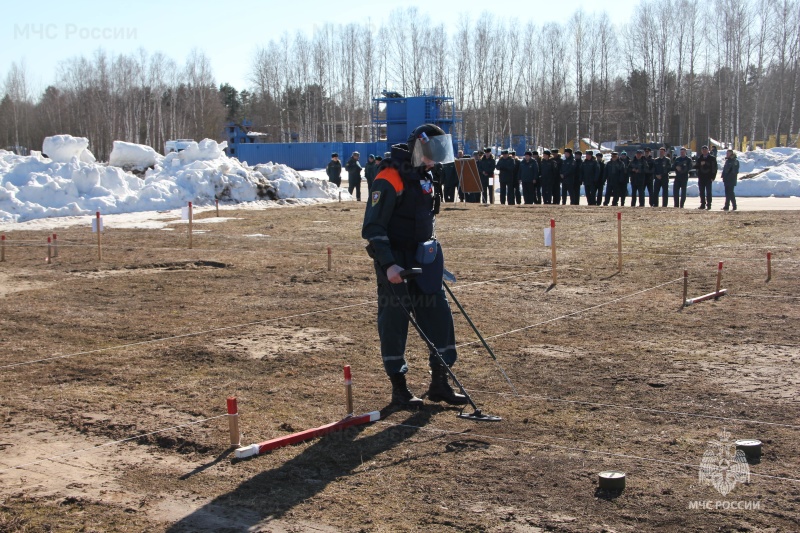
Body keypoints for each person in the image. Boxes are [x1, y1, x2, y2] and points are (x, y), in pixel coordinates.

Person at [361, 123, 466, 408]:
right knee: (394, 324)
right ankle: (399, 389)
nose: (435, 159)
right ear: (418, 149)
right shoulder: (390, 175)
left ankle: (440, 383)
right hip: (396, 263)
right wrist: (389, 265)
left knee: (440, 318)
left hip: (425, 260)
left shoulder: (427, 174)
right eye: (431, 153)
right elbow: (373, 228)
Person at [694, 145, 718, 210]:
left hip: (708, 177)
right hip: (701, 177)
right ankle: (702, 204)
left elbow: (714, 168)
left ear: (708, 150)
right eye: (703, 150)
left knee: (708, 191)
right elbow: (696, 167)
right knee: (701, 191)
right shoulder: (700, 158)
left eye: (705, 150)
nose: (704, 151)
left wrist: (713, 177)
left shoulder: (712, 158)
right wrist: (699, 165)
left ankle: (709, 204)